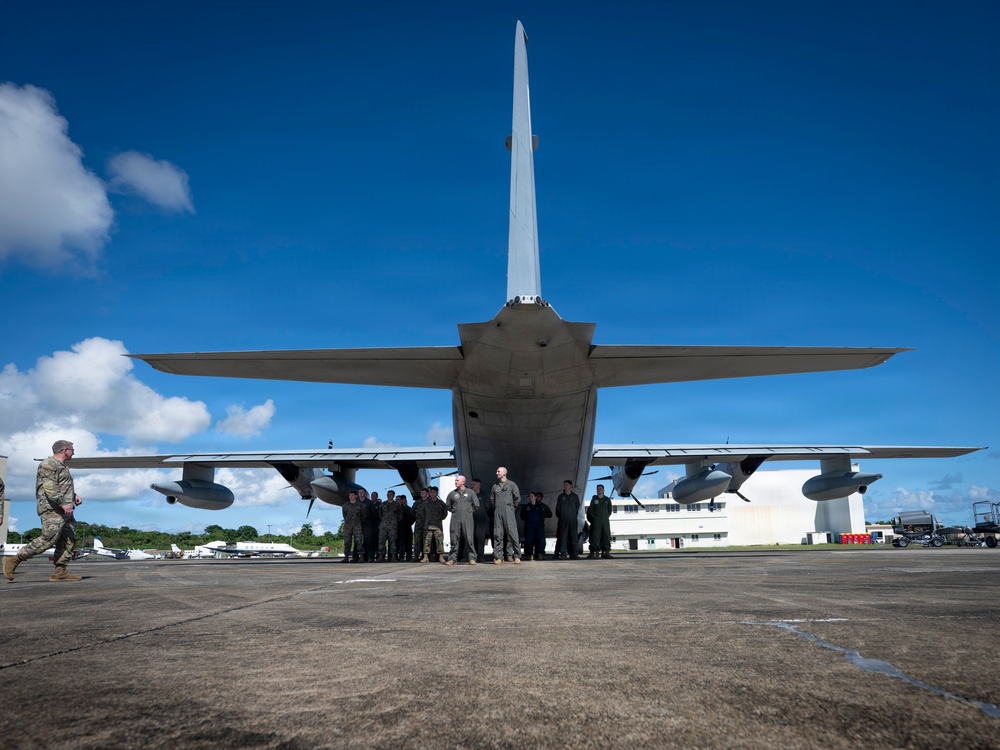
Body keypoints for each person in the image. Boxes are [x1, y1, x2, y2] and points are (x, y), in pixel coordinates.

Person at [4, 439, 83, 582]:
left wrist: (74, 496)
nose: (74, 452)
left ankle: (60, 572)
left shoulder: (61, 466)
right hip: (52, 508)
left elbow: (61, 485)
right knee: (49, 538)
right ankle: (14, 560)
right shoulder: (49, 464)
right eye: (72, 449)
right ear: (65, 450)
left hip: (65, 509)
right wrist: (63, 503)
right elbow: (50, 487)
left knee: (68, 538)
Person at [445, 475, 479, 565]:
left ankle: (472, 558)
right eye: (455, 480)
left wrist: (468, 511)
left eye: (457, 480)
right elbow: (448, 506)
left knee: (469, 538)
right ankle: (452, 558)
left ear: (463, 482)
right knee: (454, 538)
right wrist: (455, 511)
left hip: (467, 518)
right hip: (455, 518)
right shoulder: (452, 494)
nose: (455, 482)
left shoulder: (470, 492)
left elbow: (476, 505)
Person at [491, 466, 521, 565]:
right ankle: (499, 557)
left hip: (509, 510)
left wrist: (511, 508)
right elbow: (492, 500)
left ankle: (517, 556)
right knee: (497, 534)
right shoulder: (495, 486)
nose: (496, 473)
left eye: (498, 471)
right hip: (498, 511)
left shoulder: (512, 485)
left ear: (504, 473)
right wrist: (498, 507)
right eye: (497, 471)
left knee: (512, 533)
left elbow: (517, 498)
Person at [520, 491, 551, 561]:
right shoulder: (526, 507)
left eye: (532, 496)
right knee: (529, 540)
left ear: (535, 497)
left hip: (539, 526)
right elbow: (522, 516)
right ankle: (529, 554)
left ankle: (540, 554)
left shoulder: (541, 506)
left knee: (540, 540)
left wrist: (540, 522)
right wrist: (528, 521)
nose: (530, 497)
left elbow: (544, 515)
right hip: (529, 526)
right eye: (529, 496)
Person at [554, 480, 582, 559]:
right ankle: (563, 554)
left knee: (574, 537)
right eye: (564, 485)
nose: (565, 486)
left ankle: (575, 554)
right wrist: (563, 516)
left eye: (566, 485)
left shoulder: (575, 496)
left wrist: (572, 515)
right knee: (563, 537)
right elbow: (558, 509)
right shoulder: (560, 497)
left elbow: (577, 507)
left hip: (573, 520)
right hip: (563, 520)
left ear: (570, 486)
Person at [421, 487, 449, 563]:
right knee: (426, 542)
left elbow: (445, 513)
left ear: (437, 493)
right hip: (428, 526)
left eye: (434, 492)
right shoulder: (425, 503)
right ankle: (425, 557)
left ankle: (440, 557)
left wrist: (439, 519)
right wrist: (428, 519)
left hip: (437, 526)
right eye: (431, 492)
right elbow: (422, 513)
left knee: (439, 541)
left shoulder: (441, 503)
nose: (432, 494)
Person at [587, 484, 613, 559]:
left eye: (601, 488)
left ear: (603, 490)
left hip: (605, 520)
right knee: (596, 536)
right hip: (597, 520)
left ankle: (606, 552)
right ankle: (596, 552)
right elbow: (591, 510)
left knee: (606, 535)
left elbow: (609, 510)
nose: (599, 490)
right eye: (598, 489)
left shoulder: (607, 500)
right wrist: (595, 517)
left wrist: (605, 516)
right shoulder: (594, 500)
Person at [341, 490, 366, 562]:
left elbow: (363, 516)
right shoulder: (345, 506)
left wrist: (358, 522)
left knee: (358, 541)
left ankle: (361, 557)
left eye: (352, 495)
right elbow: (344, 516)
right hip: (348, 526)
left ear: (356, 496)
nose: (351, 497)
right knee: (347, 542)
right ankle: (346, 557)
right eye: (350, 495)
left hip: (357, 526)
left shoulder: (361, 506)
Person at [471, 478, 492, 561]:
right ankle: (472, 556)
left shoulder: (485, 495)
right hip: (471, 520)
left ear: (478, 485)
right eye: (471, 484)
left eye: (474, 484)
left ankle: (481, 556)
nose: (472, 486)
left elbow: (488, 506)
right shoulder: (470, 494)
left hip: (481, 521)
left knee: (480, 538)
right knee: (471, 539)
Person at [377, 489, 400, 562]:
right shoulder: (383, 504)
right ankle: (381, 556)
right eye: (388, 494)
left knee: (393, 541)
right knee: (381, 541)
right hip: (383, 526)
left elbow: (400, 516)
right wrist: (385, 520)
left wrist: (394, 521)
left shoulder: (397, 505)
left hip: (393, 526)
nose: (389, 496)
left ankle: (393, 556)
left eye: (390, 494)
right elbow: (380, 514)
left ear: (393, 495)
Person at [360, 488, 380, 563]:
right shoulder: (357, 502)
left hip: (368, 524)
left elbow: (374, 513)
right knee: (357, 541)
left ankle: (370, 557)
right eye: (359, 492)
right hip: (358, 524)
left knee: (368, 540)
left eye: (362, 492)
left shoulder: (369, 503)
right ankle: (359, 557)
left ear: (365, 493)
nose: (361, 494)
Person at [412, 487, 428, 562]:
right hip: (418, 524)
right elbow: (412, 511)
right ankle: (416, 556)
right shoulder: (417, 502)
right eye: (421, 493)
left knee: (426, 541)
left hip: (427, 524)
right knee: (417, 540)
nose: (422, 494)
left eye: (424, 492)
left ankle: (425, 556)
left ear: (427, 493)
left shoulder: (430, 502)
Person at [396, 494, 414, 561]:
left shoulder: (409, 509)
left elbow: (413, 518)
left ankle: (409, 556)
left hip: (407, 527)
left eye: (402, 500)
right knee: (401, 543)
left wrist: (409, 523)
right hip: (400, 528)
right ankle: (401, 556)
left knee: (409, 542)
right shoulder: (397, 509)